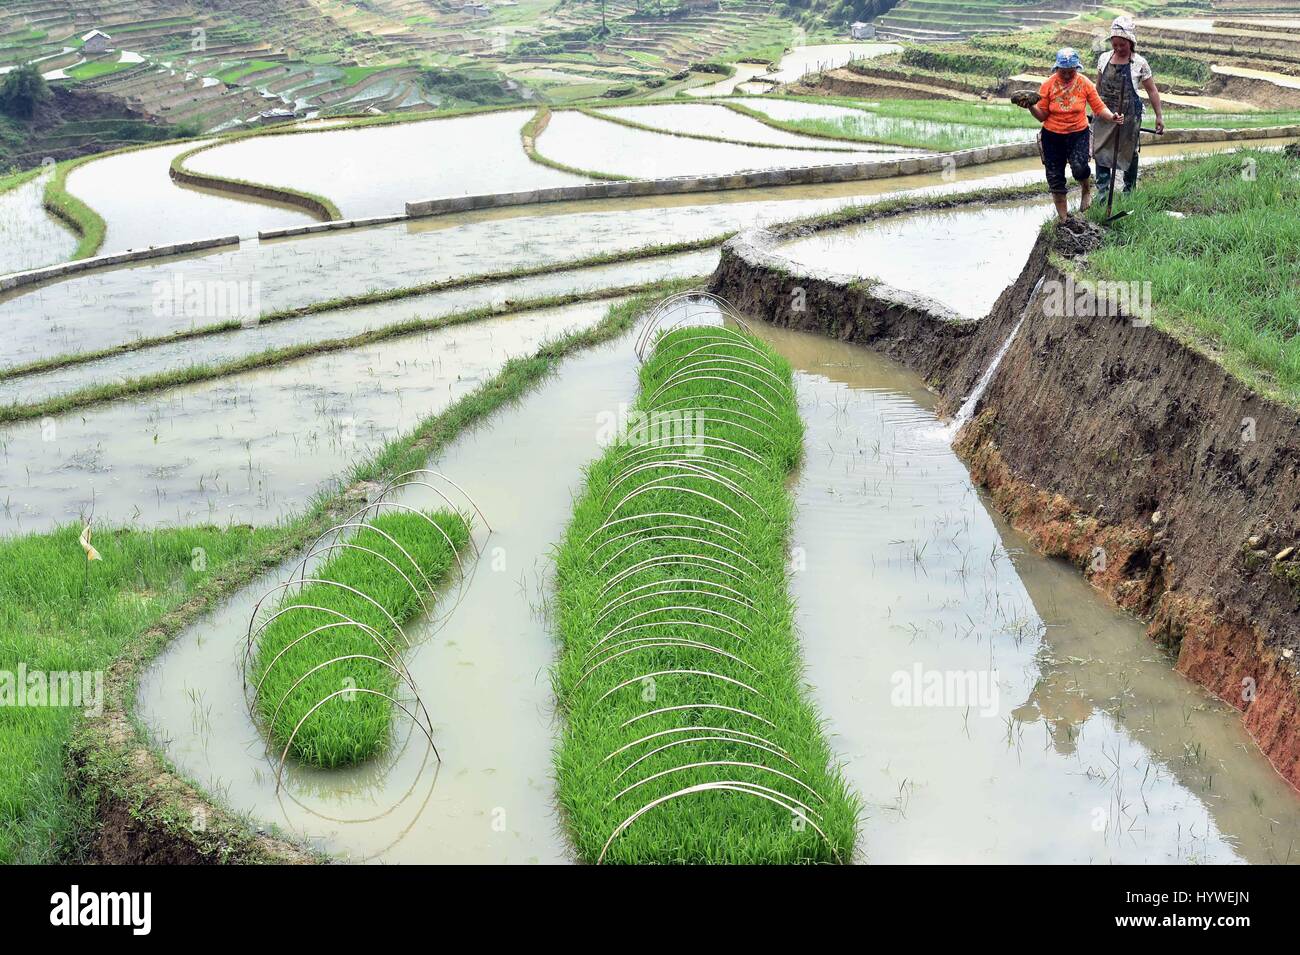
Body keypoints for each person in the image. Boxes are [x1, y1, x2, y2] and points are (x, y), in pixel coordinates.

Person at [1015, 48, 1123, 221]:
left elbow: (1098, 106)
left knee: (1080, 168)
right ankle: (1065, 220)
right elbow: (1042, 116)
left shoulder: (1084, 83)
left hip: (1078, 133)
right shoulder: (1048, 85)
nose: (1066, 75)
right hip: (1052, 136)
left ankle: (1086, 190)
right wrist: (1030, 106)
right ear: (1056, 69)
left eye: (1070, 72)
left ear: (1077, 68)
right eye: (1063, 72)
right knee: (1055, 177)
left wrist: (1112, 117)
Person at [1094, 15, 1164, 198]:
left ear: (1131, 42)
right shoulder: (1103, 59)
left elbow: (1152, 91)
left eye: (1122, 45)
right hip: (1104, 112)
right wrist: (1095, 109)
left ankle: (1129, 192)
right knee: (1100, 150)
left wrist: (1159, 116)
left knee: (1129, 152)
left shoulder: (1139, 63)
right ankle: (1102, 194)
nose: (1118, 48)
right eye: (1114, 44)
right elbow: (1097, 88)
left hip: (1129, 116)